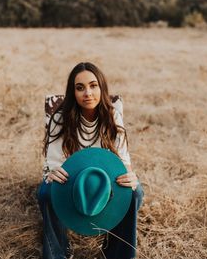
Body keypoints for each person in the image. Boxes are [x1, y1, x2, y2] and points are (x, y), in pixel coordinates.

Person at [37, 62, 144, 259]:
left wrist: (130, 177)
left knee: (135, 192)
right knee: (46, 193)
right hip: (69, 180)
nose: (87, 92)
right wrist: (54, 173)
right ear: (73, 92)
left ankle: (116, 252)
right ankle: (58, 251)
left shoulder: (112, 116)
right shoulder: (61, 118)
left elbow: (123, 160)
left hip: (105, 181)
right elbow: (53, 164)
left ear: (101, 87)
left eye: (93, 85)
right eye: (80, 88)